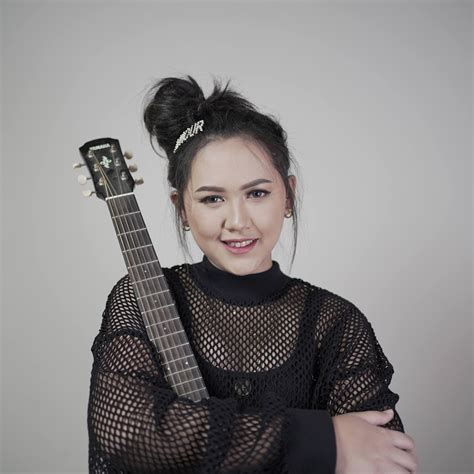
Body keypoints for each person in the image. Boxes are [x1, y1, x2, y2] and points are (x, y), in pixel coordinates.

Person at [87, 75, 418, 473]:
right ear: (182, 208)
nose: (237, 221)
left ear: (288, 195)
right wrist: (320, 440)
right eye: (212, 198)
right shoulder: (142, 296)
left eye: (257, 193)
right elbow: (127, 432)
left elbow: (383, 456)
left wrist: (199, 434)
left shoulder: (335, 323)